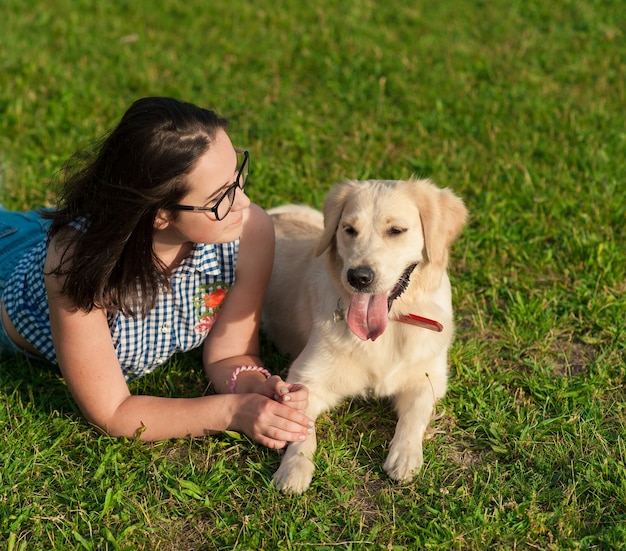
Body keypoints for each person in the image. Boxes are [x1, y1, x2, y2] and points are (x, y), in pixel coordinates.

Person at [0, 96, 312, 449]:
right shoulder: (74, 265)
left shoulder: (249, 231)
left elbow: (231, 354)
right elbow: (113, 412)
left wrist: (256, 385)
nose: (242, 200)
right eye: (219, 197)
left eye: (236, 176)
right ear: (159, 215)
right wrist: (233, 412)